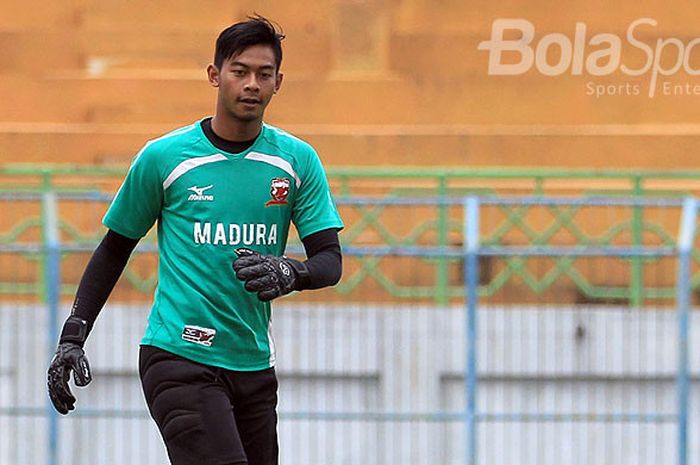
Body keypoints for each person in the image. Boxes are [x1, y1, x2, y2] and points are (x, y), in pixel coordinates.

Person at [46, 15, 343, 465]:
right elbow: (114, 249)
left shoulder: (297, 160)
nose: (251, 84)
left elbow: (330, 260)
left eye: (264, 75)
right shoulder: (165, 158)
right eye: (239, 71)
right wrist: (73, 336)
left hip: (254, 365)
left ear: (279, 82)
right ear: (214, 75)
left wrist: (291, 272)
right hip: (178, 356)